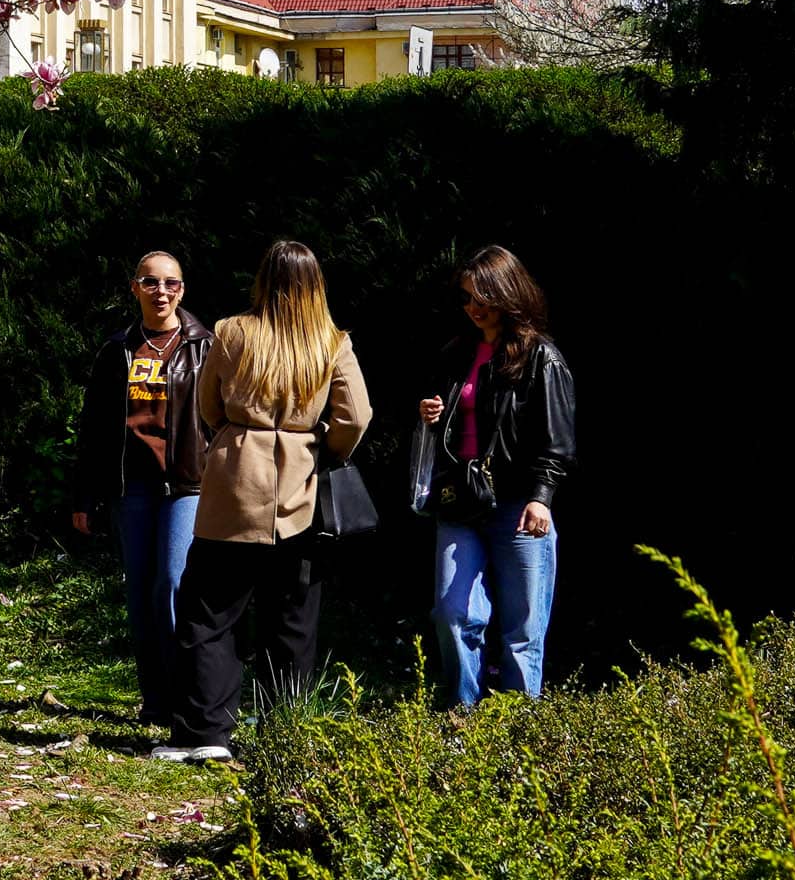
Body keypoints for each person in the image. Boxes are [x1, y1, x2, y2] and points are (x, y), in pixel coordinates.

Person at [161, 238, 371, 763]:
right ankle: (286, 733)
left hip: (235, 483)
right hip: (300, 491)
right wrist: (320, 449)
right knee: (292, 619)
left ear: (263, 281)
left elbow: (208, 406)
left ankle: (207, 733)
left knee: (209, 611)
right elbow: (357, 416)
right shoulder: (332, 341)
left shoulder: (232, 332)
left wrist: (239, 437)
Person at [418, 245, 576, 703]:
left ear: (509, 294)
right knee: (452, 613)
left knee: (523, 630)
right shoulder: (456, 352)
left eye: (483, 297)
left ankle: (516, 734)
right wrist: (431, 413)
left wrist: (541, 497)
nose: (473, 307)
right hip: (461, 502)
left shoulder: (542, 358)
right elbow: (455, 418)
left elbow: (558, 441)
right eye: (467, 298)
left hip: (518, 505)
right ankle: (461, 720)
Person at [72, 249, 216, 726]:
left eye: (170, 283)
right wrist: (84, 496)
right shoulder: (117, 350)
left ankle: (185, 702)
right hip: (130, 486)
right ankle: (155, 701)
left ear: (183, 290)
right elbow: (93, 428)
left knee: (172, 585)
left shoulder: (205, 346)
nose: (161, 292)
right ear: (134, 288)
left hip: (188, 485)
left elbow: (224, 419)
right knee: (139, 593)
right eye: (151, 283)